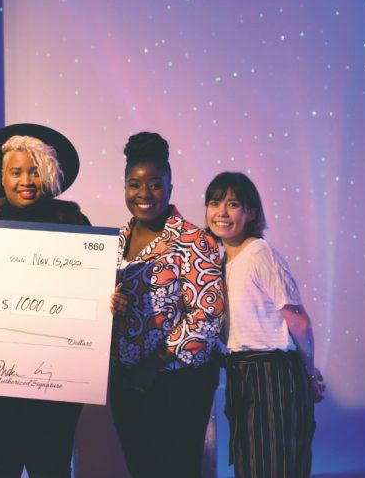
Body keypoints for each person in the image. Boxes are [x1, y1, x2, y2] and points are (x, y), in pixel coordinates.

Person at [0, 123, 89, 478]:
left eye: (35, 171)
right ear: (0, 177)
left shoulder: (72, 221)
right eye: (16, 172)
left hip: (54, 383)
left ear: (48, 173)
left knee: (50, 468)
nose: (26, 180)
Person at [109, 131, 224, 478]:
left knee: (175, 469)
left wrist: (152, 366)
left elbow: (206, 318)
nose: (144, 194)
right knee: (141, 467)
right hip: (126, 380)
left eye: (155, 184)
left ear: (170, 189)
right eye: (134, 184)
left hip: (177, 382)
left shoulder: (194, 241)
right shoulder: (114, 241)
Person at [204, 171, 325, 478]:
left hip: (274, 376)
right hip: (242, 373)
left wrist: (309, 374)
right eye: (215, 203)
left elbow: (298, 321)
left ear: (251, 212)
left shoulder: (259, 253)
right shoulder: (221, 263)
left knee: (275, 467)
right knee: (252, 467)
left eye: (233, 204)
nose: (221, 212)